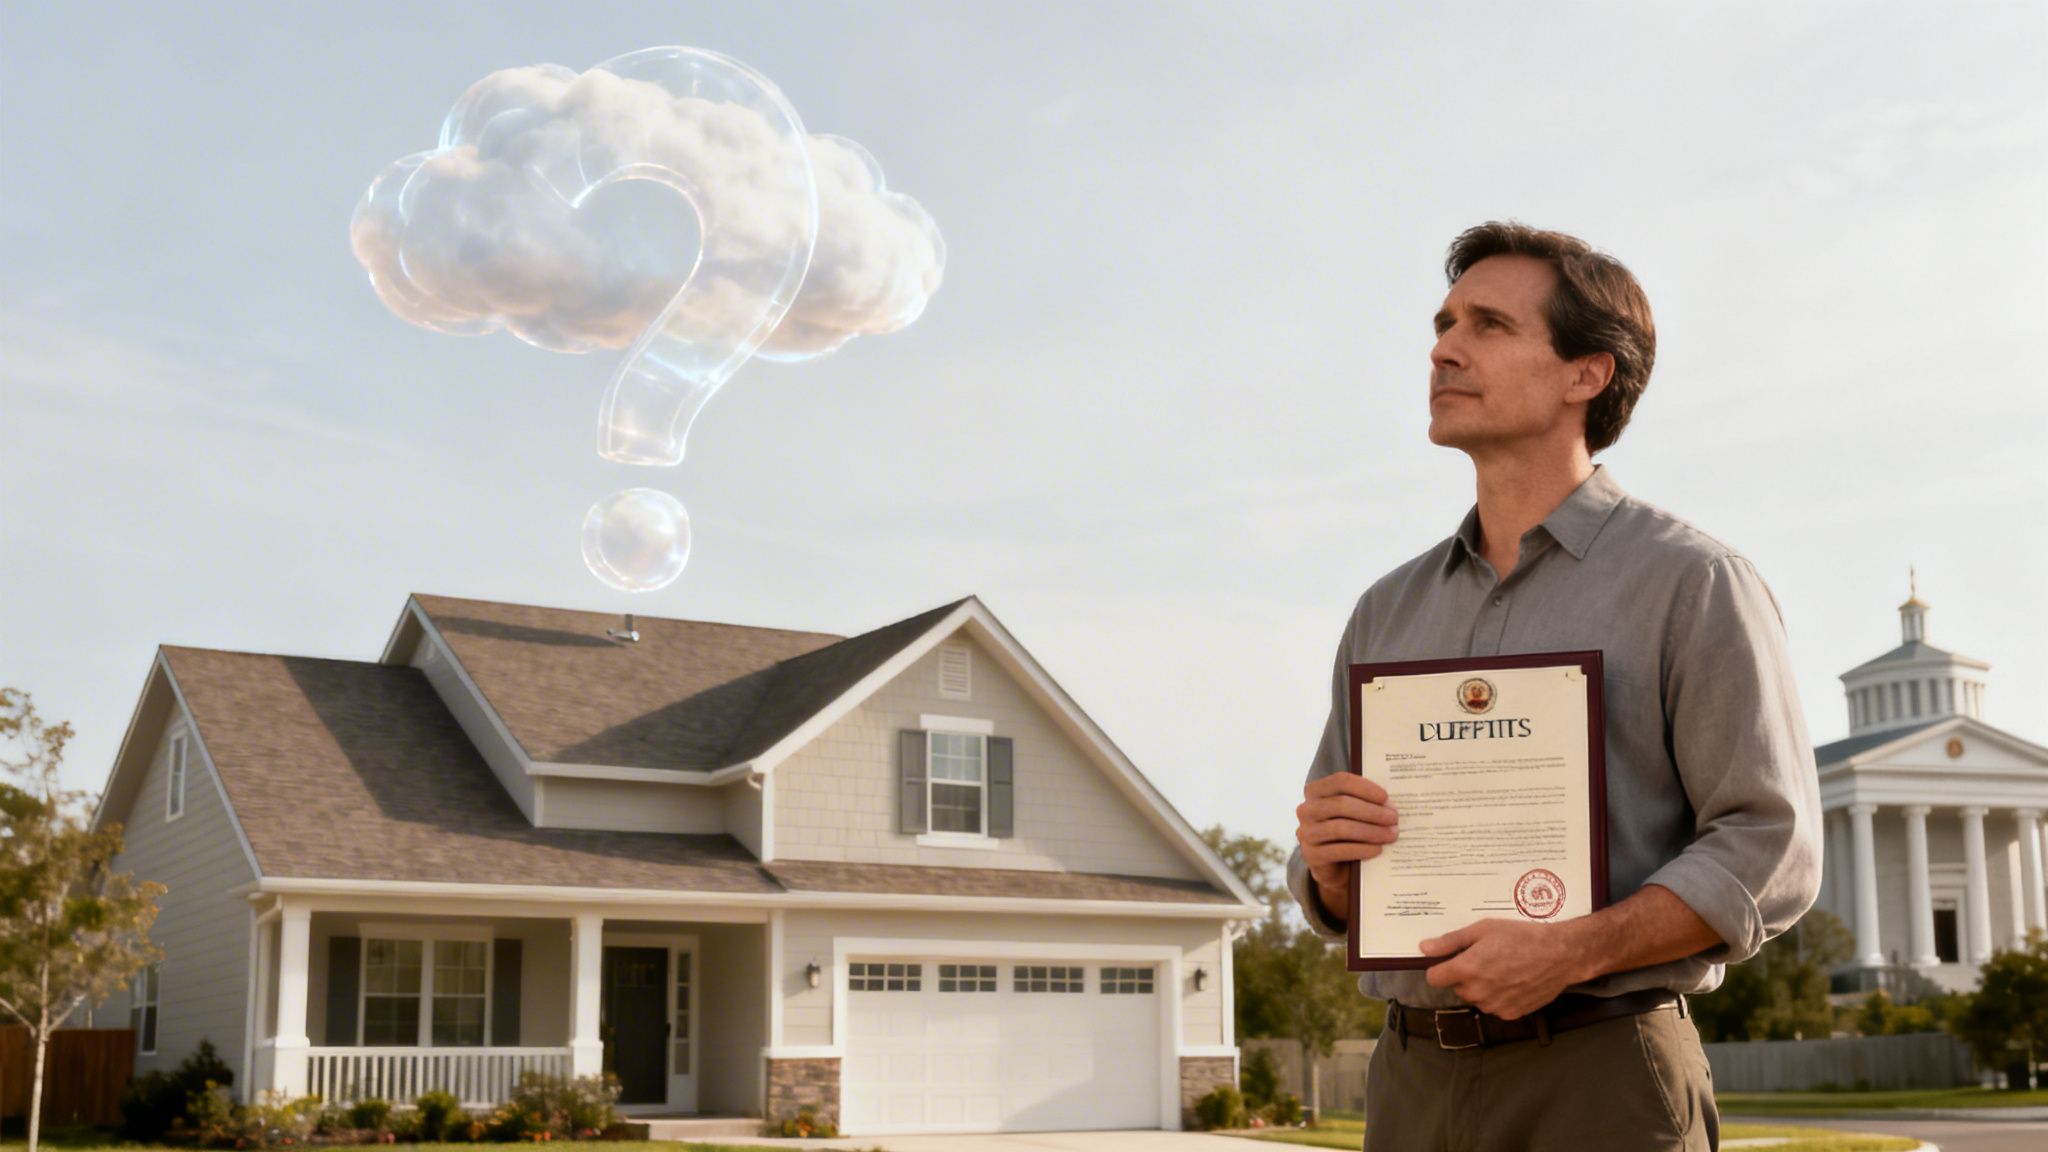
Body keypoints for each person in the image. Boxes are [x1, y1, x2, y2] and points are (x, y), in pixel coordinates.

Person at [1287, 221, 1821, 1151]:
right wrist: (1330, 874)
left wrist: (1575, 947)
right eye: (1445, 322)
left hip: (1601, 1076)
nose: (1443, 347)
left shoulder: (1692, 583)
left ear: (1588, 374)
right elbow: (1331, 868)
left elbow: (1768, 844)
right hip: (1409, 1081)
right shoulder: (1385, 610)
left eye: (1488, 325)